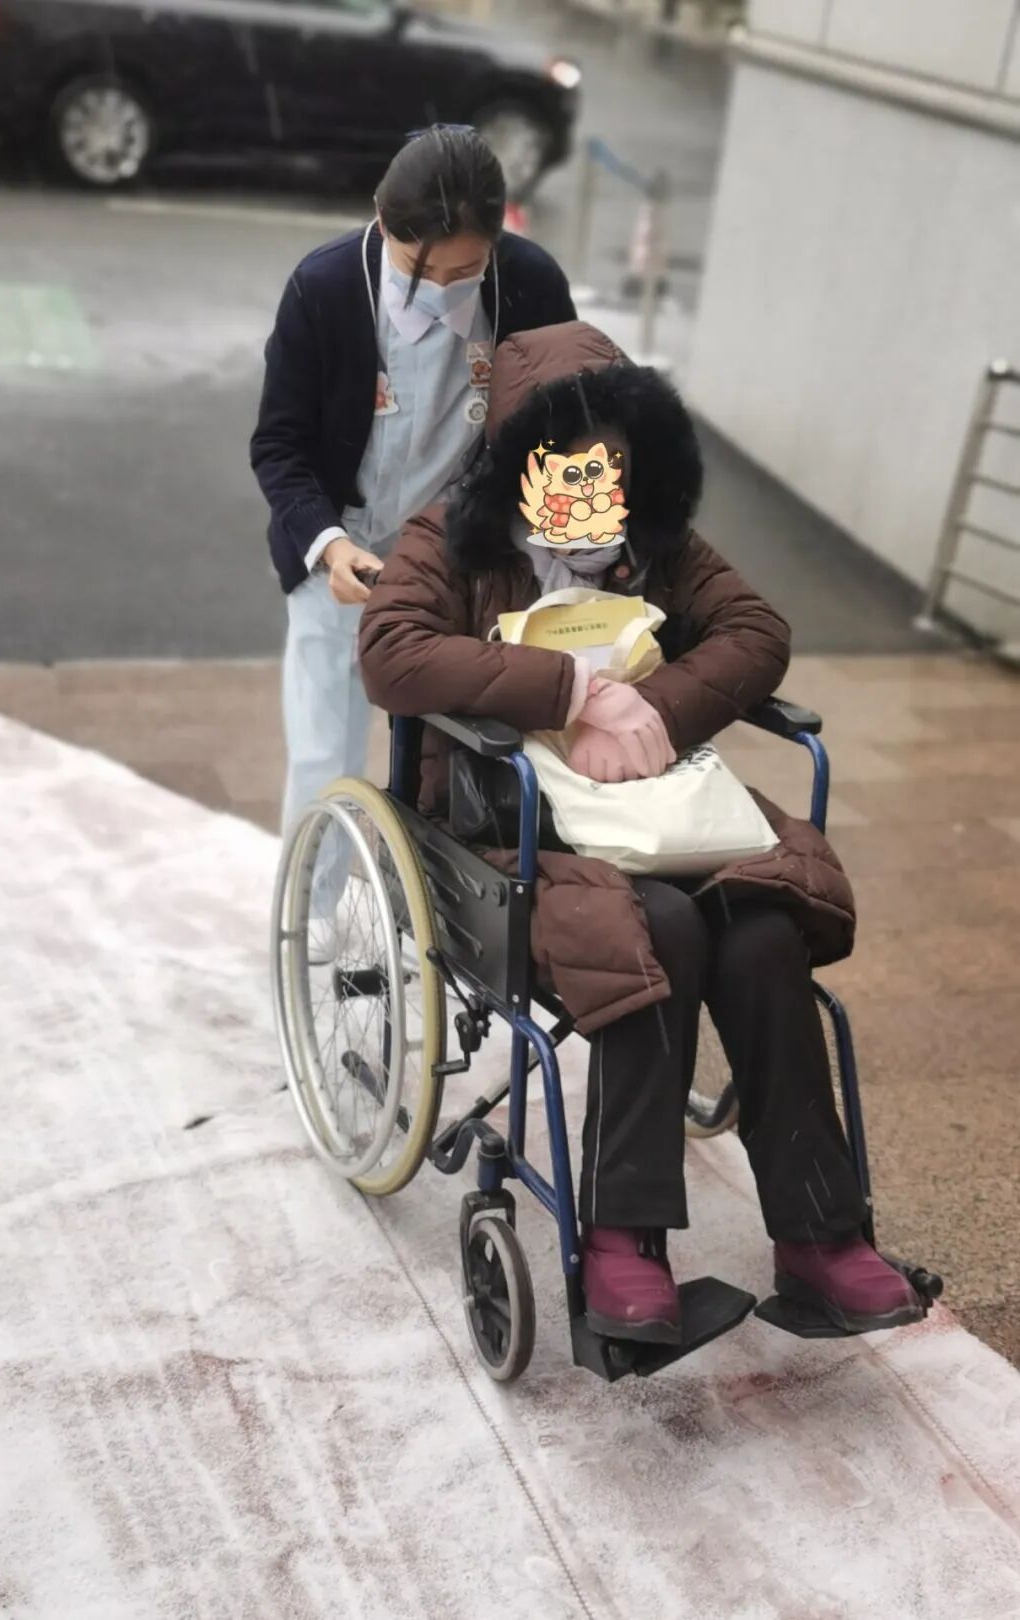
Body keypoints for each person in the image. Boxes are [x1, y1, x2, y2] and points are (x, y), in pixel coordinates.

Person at [357, 319, 923, 1342]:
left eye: (611, 456)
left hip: (653, 811)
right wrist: (571, 691)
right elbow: (391, 651)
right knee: (654, 929)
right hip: (511, 823)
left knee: (763, 932)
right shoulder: (453, 535)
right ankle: (625, 1239)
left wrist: (654, 709)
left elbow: (757, 630)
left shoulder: (651, 541)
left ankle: (820, 1238)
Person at [250, 126, 576, 959]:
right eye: (419, 268)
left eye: (464, 272)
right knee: (324, 751)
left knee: (457, 751)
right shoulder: (326, 288)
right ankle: (310, 919)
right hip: (346, 549)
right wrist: (328, 547)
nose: (440, 288)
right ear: (381, 219)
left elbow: (563, 424)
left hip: (462, 557)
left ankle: (447, 923)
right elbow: (279, 446)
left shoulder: (529, 284)